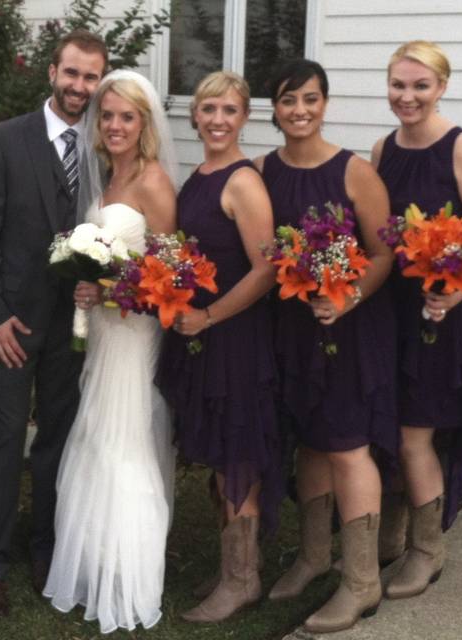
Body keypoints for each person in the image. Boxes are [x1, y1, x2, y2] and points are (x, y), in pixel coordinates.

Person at [0, 29, 108, 616]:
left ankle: (47, 547)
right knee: (3, 439)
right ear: (52, 71)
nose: (80, 87)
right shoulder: (2, 141)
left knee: (59, 438)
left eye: (90, 77)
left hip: (74, 326)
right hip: (13, 324)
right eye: (71, 73)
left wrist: (98, 285)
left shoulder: (107, 143)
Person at [255, 59, 398, 633]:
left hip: (349, 326)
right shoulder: (263, 171)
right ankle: (313, 556)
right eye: (289, 100)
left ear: (326, 103)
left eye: (310, 99)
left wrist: (348, 298)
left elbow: (384, 251)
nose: (300, 111)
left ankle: (361, 580)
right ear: (275, 108)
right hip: (291, 326)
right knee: (310, 444)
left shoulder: (354, 172)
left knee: (345, 446)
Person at [371, 40, 462, 600]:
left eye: (420, 86)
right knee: (392, 422)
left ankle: (428, 549)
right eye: (399, 85)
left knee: (414, 433)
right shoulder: (383, 149)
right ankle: (395, 532)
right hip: (394, 311)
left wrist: (451, 294)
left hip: (447, 313)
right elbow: (379, 233)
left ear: (442, 87)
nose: (408, 96)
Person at [42, 69, 178, 634]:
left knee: (126, 441)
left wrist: (112, 289)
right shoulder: (104, 177)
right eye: (109, 116)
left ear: (144, 124)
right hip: (100, 331)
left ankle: (131, 575)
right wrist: (85, 283)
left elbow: (172, 276)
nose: (116, 125)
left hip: (132, 333)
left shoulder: (152, 182)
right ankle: (95, 563)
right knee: (96, 434)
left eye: (127, 116)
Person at [155, 71, 279, 624]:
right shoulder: (202, 173)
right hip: (201, 336)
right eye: (209, 109)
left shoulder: (243, 181)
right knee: (219, 458)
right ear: (195, 115)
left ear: (244, 116)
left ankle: (242, 580)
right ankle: (234, 566)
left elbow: (266, 270)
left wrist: (208, 315)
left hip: (234, 336)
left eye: (229, 110)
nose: (218, 120)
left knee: (237, 456)